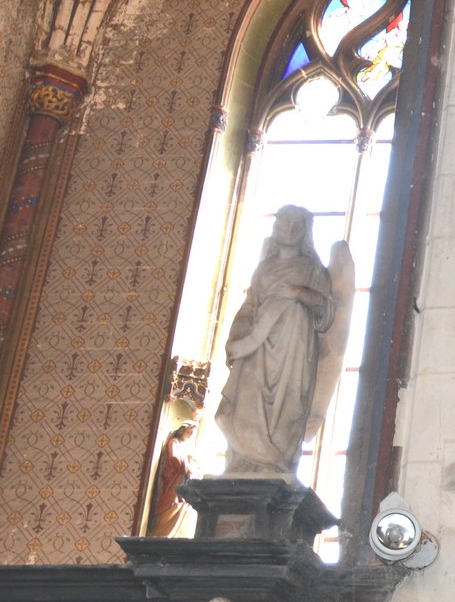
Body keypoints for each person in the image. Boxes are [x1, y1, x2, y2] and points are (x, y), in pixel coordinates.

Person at [215, 206, 351, 477]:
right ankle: (244, 461)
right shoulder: (264, 268)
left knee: (287, 406)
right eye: (282, 224)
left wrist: (298, 293)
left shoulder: (313, 269)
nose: (288, 229)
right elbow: (250, 306)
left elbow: (326, 314)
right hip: (258, 349)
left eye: (295, 225)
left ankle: (274, 462)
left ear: (304, 232)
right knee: (248, 399)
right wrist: (237, 337)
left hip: (294, 349)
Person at [147, 422, 196, 537]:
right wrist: (185, 466)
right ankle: (159, 532)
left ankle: (172, 534)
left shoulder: (185, 446)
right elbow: (173, 457)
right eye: (189, 432)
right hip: (173, 478)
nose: (190, 435)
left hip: (182, 479)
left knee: (182, 503)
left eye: (192, 433)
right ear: (182, 431)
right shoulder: (174, 442)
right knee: (170, 502)